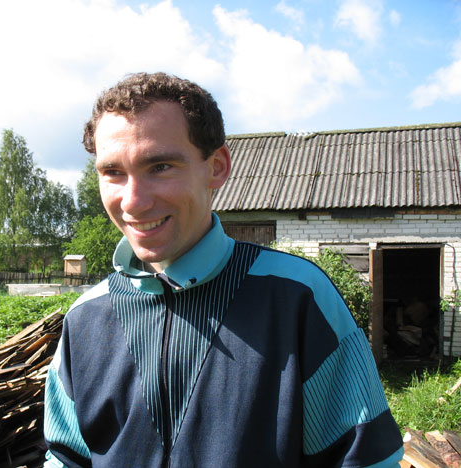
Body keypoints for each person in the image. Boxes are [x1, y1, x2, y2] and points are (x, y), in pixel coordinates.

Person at [43, 72, 404, 467]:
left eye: (160, 166)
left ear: (216, 167)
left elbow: (366, 458)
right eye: (113, 172)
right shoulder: (85, 318)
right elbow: (65, 459)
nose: (133, 201)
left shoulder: (297, 297)